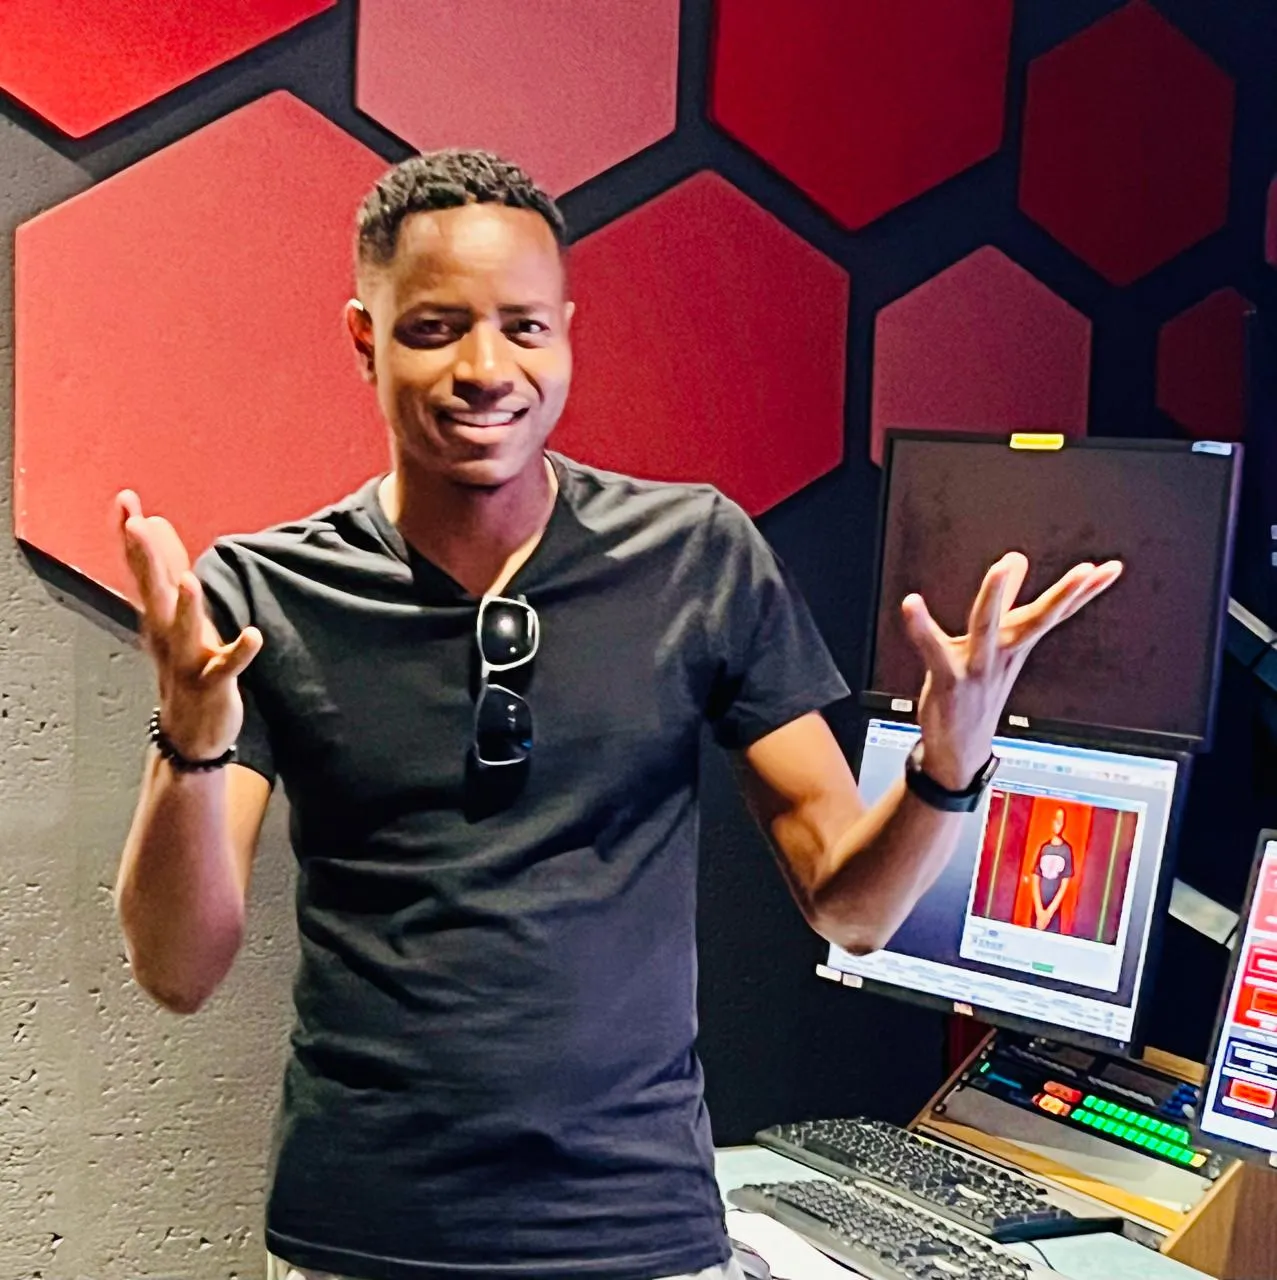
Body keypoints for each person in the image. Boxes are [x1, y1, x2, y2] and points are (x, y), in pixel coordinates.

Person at [112, 150, 1121, 1280]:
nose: (485, 369)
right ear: (364, 337)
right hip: (364, 1234)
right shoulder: (263, 593)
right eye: (435, 328)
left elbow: (853, 910)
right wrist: (191, 740)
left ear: (566, 333)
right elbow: (177, 968)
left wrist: (948, 764)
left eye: (523, 328)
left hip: (635, 1230)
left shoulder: (695, 554)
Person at [1032, 806, 1075, 933]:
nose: (1058, 823)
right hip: (1037, 909)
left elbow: (1064, 886)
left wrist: (1049, 913)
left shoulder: (1067, 850)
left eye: (1061, 820)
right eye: (1056, 819)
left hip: (1054, 912)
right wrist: (1039, 910)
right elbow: (1035, 879)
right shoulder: (1044, 848)